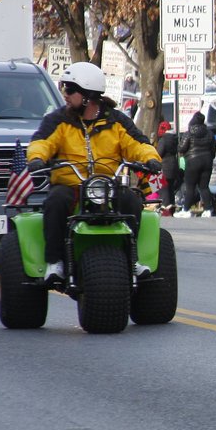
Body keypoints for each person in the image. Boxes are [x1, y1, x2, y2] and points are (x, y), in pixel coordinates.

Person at [26, 61, 160, 283]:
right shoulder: (58, 120)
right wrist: (37, 158)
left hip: (107, 186)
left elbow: (138, 144)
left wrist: (151, 159)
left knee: (132, 202)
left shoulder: (117, 121)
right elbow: (41, 142)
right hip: (70, 185)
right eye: (64, 88)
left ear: (87, 95)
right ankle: (55, 262)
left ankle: (132, 259)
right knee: (55, 202)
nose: (65, 95)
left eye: (69, 89)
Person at [173, 111, 216, 218]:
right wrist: (209, 158)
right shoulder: (210, 134)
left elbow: (181, 148)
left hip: (192, 162)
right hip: (207, 162)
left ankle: (186, 209)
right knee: (204, 187)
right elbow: (213, 149)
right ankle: (208, 209)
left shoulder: (188, 133)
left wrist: (182, 151)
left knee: (190, 187)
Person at [155, 120, 181, 216]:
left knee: (163, 188)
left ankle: (165, 209)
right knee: (170, 189)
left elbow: (158, 154)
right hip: (173, 166)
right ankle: (171, 208)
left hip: (164, 167)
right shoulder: (174, 139)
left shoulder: (163, 140)